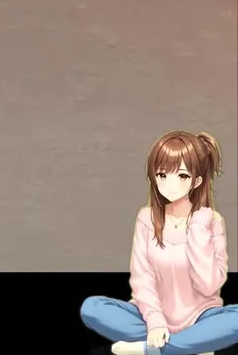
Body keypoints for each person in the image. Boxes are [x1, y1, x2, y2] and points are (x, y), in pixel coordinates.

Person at [80, 131, 236, 355]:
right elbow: (142, 277)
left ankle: (150, 349)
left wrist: (198, 230)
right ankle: (191, 345)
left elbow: (209, 285)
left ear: (197, 181)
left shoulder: (212, 221)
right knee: (92, 307)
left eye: (182, 176)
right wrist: (155, 321)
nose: (170, 184)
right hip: (149, 317)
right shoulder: (146, 218)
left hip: (200, 317)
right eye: (162, 174)